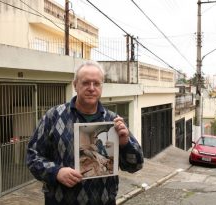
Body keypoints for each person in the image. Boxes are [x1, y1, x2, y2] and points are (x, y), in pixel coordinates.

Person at [26, 60, 144, 205]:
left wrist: (125, 143)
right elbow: (32, 156)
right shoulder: (53, 116)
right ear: (75, 85)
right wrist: (56, 172)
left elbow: (136, 165)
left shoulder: (113, 121)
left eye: (96, 83)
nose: (91, 88)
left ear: (102, 87)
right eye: (86, 83)